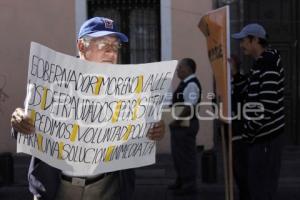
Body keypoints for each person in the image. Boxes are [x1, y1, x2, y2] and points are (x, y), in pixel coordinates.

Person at [10, 17, 165, 200]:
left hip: (108, 188)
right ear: (82, 47)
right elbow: (24, 130)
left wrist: (155, 129)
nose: (111, 52)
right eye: (103, 44)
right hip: (56, 188)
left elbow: (144, 130)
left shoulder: (129, 88)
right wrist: (18, 123)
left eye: (116, 46)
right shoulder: (50, 80)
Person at [231, 23, 285, 200]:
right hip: (260, 138)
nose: (241, 45)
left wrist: (249, 131)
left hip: (265, 139)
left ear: (255, 40)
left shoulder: (268, 64)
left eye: (244, 41)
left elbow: (266, 106)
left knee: (261, 190)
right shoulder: (259, 64)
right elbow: (245, 92)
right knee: (255, 187)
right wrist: (236, 73)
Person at [168, 58, 201, 195]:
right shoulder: (185, 83)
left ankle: (189, 184)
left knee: (186, 156)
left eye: (180, 68)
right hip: (180, 125)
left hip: (185, 125)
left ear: (188, 69)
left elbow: (190, 106)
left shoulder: (191, 84)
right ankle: (181, 180)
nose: (177, 71)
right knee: (178, 155)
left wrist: (176, 121)